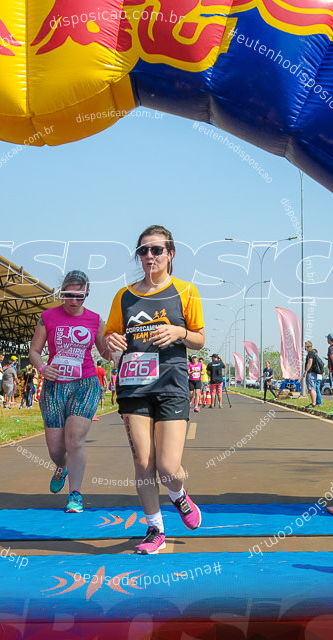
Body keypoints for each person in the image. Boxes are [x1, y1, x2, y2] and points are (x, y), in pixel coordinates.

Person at [104, 225, 205, 554]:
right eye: (143, 251)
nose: (149, 256)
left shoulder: (186, 291)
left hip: (172, 384)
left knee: (167, 467)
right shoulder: (124, 296)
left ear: (170, 254)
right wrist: (111, 341)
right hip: (133, 387)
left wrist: (178, 332)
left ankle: (179, 495)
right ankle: (154, 528)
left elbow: (200, 339)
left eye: (156, 250)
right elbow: (107, 343)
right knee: (143, 463)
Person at [29, 270, 110, 513]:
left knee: (74, 439)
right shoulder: (47, 317)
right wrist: (43, 368)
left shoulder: (95, 319)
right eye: (69, 295)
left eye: (80, 296)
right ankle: (61, 467)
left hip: (85, 384)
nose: (74, 301)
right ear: (61, 293)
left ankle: (75, 494)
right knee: (56, 450)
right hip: (54, 386)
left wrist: (116, 353)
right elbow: (34, 351)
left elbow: (105, 352)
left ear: (87, 295)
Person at [303, 340, 323, 407]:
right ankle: (315, 402)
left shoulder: (310, 354)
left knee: (311, 388)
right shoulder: (313, 353)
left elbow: (310, 362)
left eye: (305, 347)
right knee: (313, 388)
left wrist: (306, 371)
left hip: (311, 373)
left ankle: (313, 403)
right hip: (314, 373)